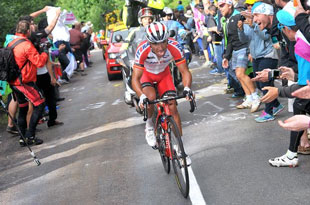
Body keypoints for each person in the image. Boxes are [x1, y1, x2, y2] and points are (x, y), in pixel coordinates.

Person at [256, 7, 310, 167]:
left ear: (285, 28)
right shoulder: (302, 40)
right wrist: (282, 74)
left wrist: (278, 92)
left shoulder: (301, 45)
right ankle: (293, 152)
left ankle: (293, 154)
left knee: (300, 104)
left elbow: (304, 87)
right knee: (300, 105)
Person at [131, 22, 193, 158]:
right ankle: (149, 126)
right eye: (155, 44)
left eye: (163, 42)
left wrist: (187, 88)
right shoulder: (142, 49)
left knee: (172, 105)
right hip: (147, 75)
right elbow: (135, 78)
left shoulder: (174, 46)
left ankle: (179, 148)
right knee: (150, 99)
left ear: (167, 39)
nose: (160, 47)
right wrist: (141, 96)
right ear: (149, 42)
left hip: (164, 75)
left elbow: (185, 72)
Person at [237, 1, 284, 122]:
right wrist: (241, 29)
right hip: (256, 56)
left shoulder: (261, 22)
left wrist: (254, 26)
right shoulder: (249, 23)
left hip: (268, 55)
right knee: (259, 84)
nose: (249, 8)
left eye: (252, 7)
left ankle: (269, 112)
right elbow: (244, 39)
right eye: (248, 6)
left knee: (265, 85)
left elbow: (266, 36)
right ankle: (276, 104)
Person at [6, 20, 48, 146]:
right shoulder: (26, 45)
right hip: (24, 82)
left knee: (23, 108)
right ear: (28, 31)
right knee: (40, 105)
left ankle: (22, 137)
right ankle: (30, 136)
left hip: (14, 82)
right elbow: (39, 62)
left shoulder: (11, 43)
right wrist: (45, 53)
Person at [219, 0, 261, 111]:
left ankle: (255, 97)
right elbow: (231, 40)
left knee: (240, 74)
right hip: (236, 50)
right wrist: (226, 57)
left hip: (244, 48)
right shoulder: (226, 20)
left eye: (222, 5)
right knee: (238, 75)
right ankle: (249, 98)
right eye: (219, 6)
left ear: (230, 5)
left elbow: (250, 34)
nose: (220, 8)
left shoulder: (240, 15)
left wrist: (251, 51)